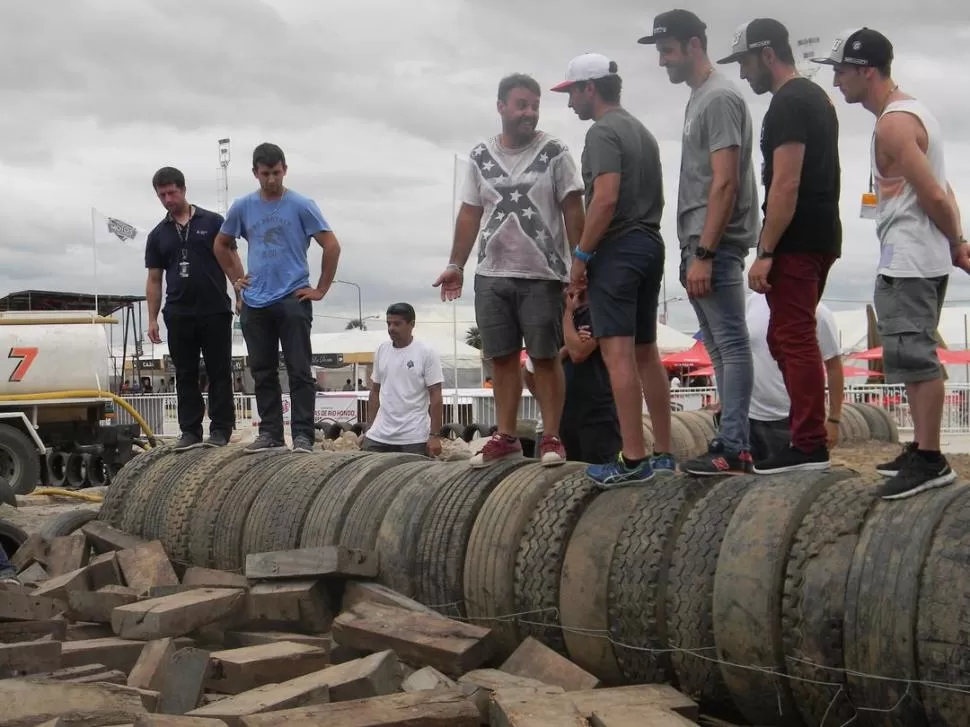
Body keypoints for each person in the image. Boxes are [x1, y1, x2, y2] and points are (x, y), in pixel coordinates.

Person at [814, 28, 969, 498]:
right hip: (919, 257)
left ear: (866, 70)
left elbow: (934, 194)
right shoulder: (913, 113)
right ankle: (921, 448)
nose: (837, 81)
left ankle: (930, 458)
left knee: (914, 356)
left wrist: (958, 241)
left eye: (841, 70)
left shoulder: (894, 125)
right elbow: (947, 189)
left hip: (910, 259)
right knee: (908, 354)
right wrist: (956, 245)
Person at [433, 73, 586, 469]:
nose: (529, 113)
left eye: (534, 105)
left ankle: (551, 435)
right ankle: (505, 435)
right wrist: (456, 264)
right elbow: (470, 212)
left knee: (545, 356)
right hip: (492, 273)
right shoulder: (481, 155)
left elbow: (573, 207)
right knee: (500, 357)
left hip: (543, 274)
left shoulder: (554, 151)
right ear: (501, 106)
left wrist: (580, 264)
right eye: (521, 105)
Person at [718, 19, 842, 474]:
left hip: (797, 239)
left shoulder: (788, 102)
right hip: (822, 234)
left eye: (746, 62)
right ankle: (805, 435)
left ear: (768, 55)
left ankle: (808, 443)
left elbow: (786, 183)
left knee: (793, 335)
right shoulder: (815, 97)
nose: (744, 73)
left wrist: (766, 249)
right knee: (783, 336)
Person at [640, 10, 759, 476]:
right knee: (717, 343)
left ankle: (735, 444)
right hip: (699, 241)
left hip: (716, 243)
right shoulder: (700, 97)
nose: (663, 62)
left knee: (730, 342)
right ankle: (730, 440)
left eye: (668, 51)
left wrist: (706, 252)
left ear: (693, 45)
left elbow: (725, 183)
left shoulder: (719, 98)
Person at [552, 53, 676, 487]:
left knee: (617, 354)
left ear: (590, 89)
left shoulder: (603, 132)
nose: (570, 104)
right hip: (650, 242)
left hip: (619, 246)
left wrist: (581, 258)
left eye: (571, 93)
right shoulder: (641, 131)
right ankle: (663, 452)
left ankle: (633, 459)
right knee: (647, 352)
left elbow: (604, 199)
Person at [214, 143, 342, 454]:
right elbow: (222, 244)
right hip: (256, 301)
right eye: (265, 174)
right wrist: (236, 281)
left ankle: (302, 436)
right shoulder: (243, 206)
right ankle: (270, 432)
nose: (271, 179)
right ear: (255, 173)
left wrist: (321, 289)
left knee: (299, 370)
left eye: (276, 172)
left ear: (284, 169)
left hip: (292, 296)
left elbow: (332, 246)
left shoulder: (301, 204)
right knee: (262, 371)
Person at [144, 167, 236, 452]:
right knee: (185, 374)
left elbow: (231, 258)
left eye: (172, 192)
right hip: (179, 313)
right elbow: (154, 279)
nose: (168, 199)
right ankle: (190, 431)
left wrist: (240, 292)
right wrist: (152, 318)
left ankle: (221, 429)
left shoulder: (214, 221)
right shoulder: (158, 235)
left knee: (219, 371)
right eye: (162, 195)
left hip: (215, 310)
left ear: (183, 190)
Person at [526, 289, 622, 464]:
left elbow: (578, 352)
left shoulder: (600, 310)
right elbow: (530, 370)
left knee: (600, 468)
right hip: (564, 417)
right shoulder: (552, 320)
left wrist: (568, 314)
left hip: (597, 412)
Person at [744, 294, 843, 461]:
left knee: (788, 483)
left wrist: (834, 420)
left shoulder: (817, 309)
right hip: (749, 418)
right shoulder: (750, 303)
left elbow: (833, 366)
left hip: (792, 420)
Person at [362, 303, 444, 457]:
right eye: (389, 323)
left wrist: (434, 436)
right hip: (379, 435)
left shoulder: (426, 352)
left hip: (413, 437)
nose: (391, 328)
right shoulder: (381, 350)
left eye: (397, 324)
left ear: (411, 324)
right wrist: (370, 428)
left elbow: (436, 395)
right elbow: (374, 391)